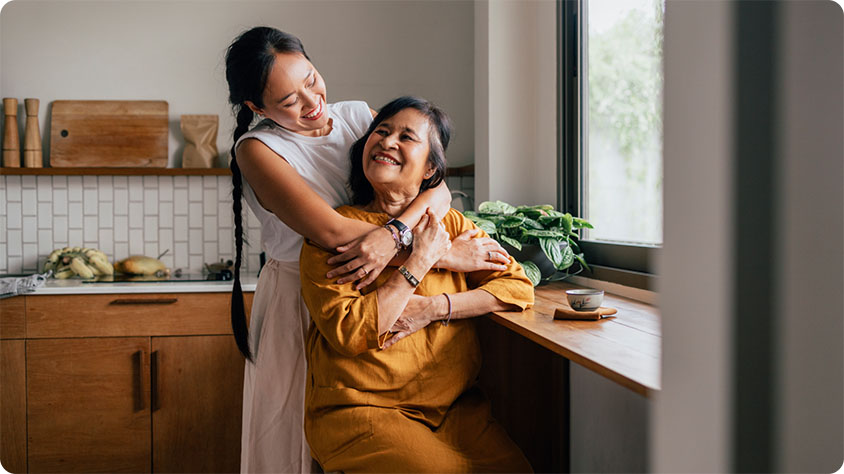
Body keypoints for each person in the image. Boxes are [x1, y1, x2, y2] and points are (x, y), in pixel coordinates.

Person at [224, 28, 513, 473]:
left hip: (383, 287)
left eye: (311, 78)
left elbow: (436, 186)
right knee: (294, 441)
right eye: (288, 101)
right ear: (257, 108)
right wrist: (437, 254)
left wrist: (395, 232)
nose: (311, 100)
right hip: (305, 296)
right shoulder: (258, 150)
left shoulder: (360, 116)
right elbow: (334, 234)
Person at [299, 96, 535, 473]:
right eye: (381, 131)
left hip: (455, 410)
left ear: (429, 169)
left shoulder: (453, 225)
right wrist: (420, 259)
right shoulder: (334, 232)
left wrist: (434, 308)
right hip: (361, 410)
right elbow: (350, 330)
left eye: (407, 136)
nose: (388, 141)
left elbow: (518, 287)